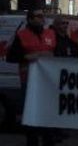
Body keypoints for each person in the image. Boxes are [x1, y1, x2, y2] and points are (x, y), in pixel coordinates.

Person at [7, 9, 56, 146]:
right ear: (30, 19)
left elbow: (58, 54)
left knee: (47, 114)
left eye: (43, 16)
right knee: (31, 114)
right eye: (39, 16)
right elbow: (11, 57)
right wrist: (28, 57)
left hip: (47, 81)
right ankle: (32, 141)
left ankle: (49, 140)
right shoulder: (22, 35)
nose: (42, 18)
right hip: (29, 81)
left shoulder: (50, 33)